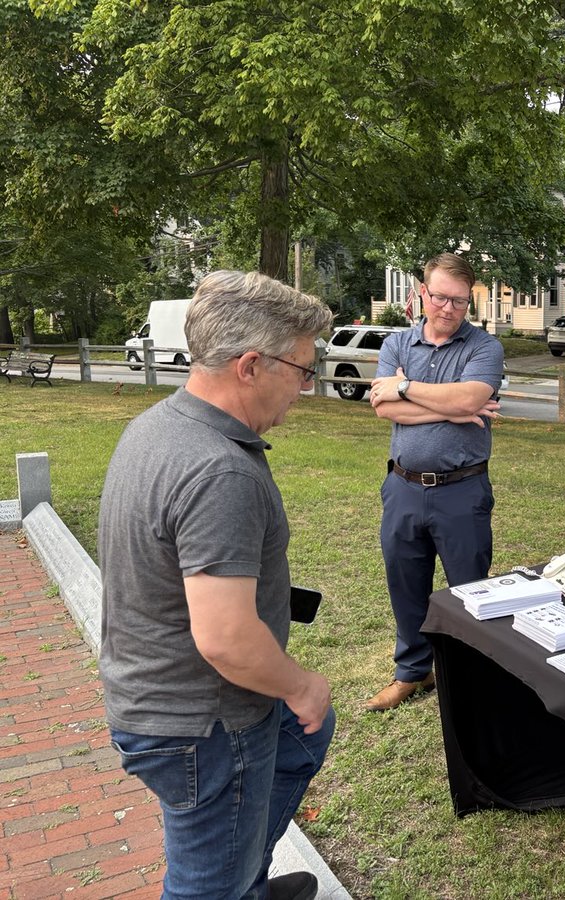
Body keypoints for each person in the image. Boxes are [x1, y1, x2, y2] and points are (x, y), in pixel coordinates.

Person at [98, 271, 336, 900]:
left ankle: (243, 876)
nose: (306, 388)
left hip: (162, 697)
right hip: (205, 723)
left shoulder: (161, 425)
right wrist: (301, 685)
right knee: (204, 886)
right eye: (303, 370)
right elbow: (227, 639)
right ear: (251, 366)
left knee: (306, 735)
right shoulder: (218, 470)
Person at [365, 253, 504, 711]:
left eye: (460, 301)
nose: (449, 308)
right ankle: (413, 672)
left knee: (469, 591)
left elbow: (470, 397)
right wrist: (454, 410)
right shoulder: (397, 344)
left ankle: (467, 676)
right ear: (422, 292)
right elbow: (383, 408)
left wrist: (406, 388)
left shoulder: (484, 347)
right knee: (405, 585)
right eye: (441, 297)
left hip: (462, 489)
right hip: (403, 487)